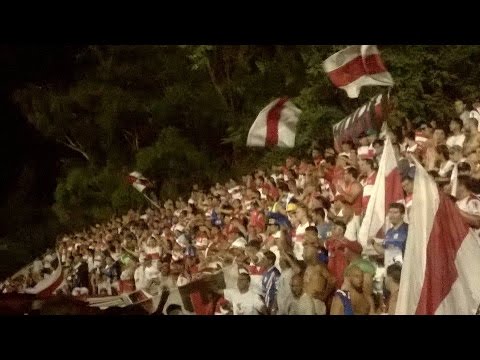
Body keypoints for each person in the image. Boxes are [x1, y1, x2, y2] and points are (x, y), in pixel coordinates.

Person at [370, 203, 409, 268]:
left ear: (402, 215)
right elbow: (384, 251)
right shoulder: (389, 232)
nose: (391, 215)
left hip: (403, 268)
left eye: (395, 212)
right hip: (389, 268)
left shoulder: (407, 229)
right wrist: (373, 242)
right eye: (390, 212)